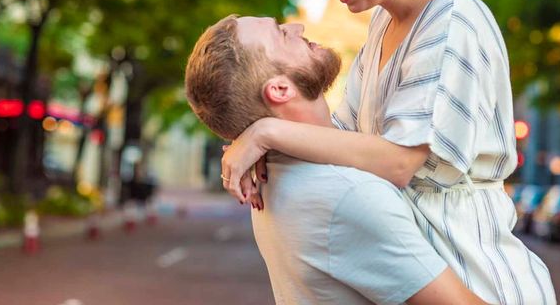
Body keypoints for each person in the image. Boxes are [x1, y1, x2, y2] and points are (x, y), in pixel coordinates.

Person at [219, 0, 556, 304]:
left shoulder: (453, 18)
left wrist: (267, 132)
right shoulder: (384, 23)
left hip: (476, 276)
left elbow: (400, 162)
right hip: (429, 269)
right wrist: (265, 140)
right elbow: (341, 142)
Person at [185, 15, 490, 305]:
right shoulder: (347, 193)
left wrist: (264, 131)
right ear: (279, 89)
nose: (297, 26)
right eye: (281, 33)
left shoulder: (272, 175)